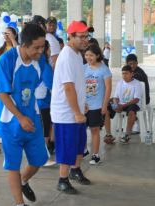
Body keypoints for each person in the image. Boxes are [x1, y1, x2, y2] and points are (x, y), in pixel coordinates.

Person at [0, 23, 49, 206]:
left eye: (42, 47)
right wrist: (20, 117)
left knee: (39, 159)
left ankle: (24, 181)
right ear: (24, 45)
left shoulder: (40, 61)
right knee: (13, 165)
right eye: (36, 47)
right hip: (11, 122)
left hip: (32, 118)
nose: (40, 51)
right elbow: (2, 93)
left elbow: (44, 85)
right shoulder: (7, 60)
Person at [51, 21, 91, 194]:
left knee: (79, 144)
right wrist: (76, 112)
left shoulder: (76, 54)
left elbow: (77, 84)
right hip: (66, 113)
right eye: (81, 37)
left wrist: (82, 104)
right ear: (71, 36)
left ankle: (75, 170)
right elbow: (68, 87)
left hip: (76, 110)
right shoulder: (67, 56)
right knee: (67, 147)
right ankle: (62, 179)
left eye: (86, 36)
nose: (85, 40)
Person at [84, 44, 112, 164]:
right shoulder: (83, 68)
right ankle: (83, 150)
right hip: (84, 106)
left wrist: (104, 105)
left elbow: (108, 88)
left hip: (96, 106)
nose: (88, 57)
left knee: (94, 130)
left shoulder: (104, 69)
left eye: (91, 55)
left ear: (98, 55)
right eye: (86, 55)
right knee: (81, 130)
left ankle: (95, 155)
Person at [0, 26, 18, 143]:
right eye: (4, 33)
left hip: (14, 83)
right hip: (1, 82)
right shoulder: (0, 50)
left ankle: (12, 131)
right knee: (0, 108)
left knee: (13, 107)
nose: (6, 35)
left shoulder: (16, 47)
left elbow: (19, 54)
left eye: (9, 33)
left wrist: (13, 40)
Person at [104, 65, 142, 144]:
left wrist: (122, 106)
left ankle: (127, 135)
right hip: (120, 105)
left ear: (132, 74)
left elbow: (136, 99)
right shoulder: (120, 82)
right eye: (123, 74)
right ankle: (109, 134)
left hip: (131, 104)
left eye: (126, 73)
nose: (124, 76)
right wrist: (116, 105)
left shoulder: (137, 83)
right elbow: (115, 97)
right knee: (106, 110)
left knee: (131, 112)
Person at [35, 40, 56, 166]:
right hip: (43, 103)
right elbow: (51, 86)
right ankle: (43, 157)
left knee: (43, 128)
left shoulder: (35, 63)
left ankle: (46, 151)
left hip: (37, 102)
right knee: (45, 129)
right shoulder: (45, 66)